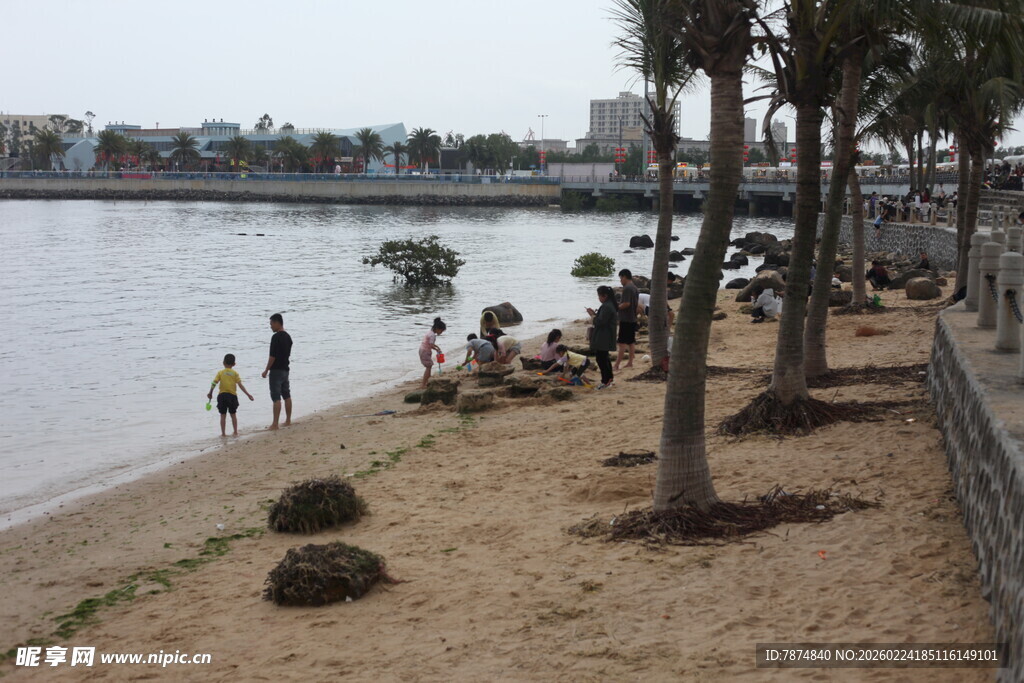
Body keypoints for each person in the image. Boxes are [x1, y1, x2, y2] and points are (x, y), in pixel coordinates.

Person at [207, 353, 254, 437]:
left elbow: (214, 382)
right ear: (234, 364)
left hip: (222, 396)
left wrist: (210, 392)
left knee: (222, 415)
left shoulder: (220, 372)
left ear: (223, 363)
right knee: (233, 414)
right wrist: (248, 394)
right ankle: (235, 432)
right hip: (232, 396)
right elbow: (240, 385)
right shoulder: (235, 373)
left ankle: (223, 433)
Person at [261, 313, 293, 430]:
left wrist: (266, 370)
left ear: (277, 322)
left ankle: (275, 424)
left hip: (276, 370)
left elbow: (272, 356)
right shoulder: (288, 337)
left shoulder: (276, 337)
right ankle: (288, 420)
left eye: (271, 324)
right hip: (285, 369)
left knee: (276, 397)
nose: (270, 326)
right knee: (287, 395)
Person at [586, 285, 618, 388]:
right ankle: (609, 379)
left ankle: (606, 381)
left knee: (601, 359)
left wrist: (592, 315)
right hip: (606, 334)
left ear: (604, 296)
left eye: (599, 296)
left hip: (604, 335)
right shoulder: (609, 305)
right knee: (604, 358)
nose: (599, 298)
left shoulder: (607, 306)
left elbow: (601, 321)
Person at [614, 269, 639, 370]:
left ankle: (616, 364)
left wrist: (617, 307)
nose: (620, 280)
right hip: (632, 317)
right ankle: (630, 362)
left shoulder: (627, 288)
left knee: (622, 343)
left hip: (626, 318)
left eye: (620, 278)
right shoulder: (634, 287)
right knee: (630, 341)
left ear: (624, 277)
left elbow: (627, 303)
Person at [419, 317, 446, 388]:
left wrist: (437, 347)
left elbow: (429, 343)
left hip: (423, 350)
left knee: (429, 366)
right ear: (437, 328)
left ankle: (427, 382)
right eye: (441, 331)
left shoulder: (430, 332)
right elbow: (431, 345)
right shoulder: (432, 335)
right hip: (425, 351)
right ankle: (423, 384)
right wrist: (437, 349)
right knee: (429, 366)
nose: (441, 332)